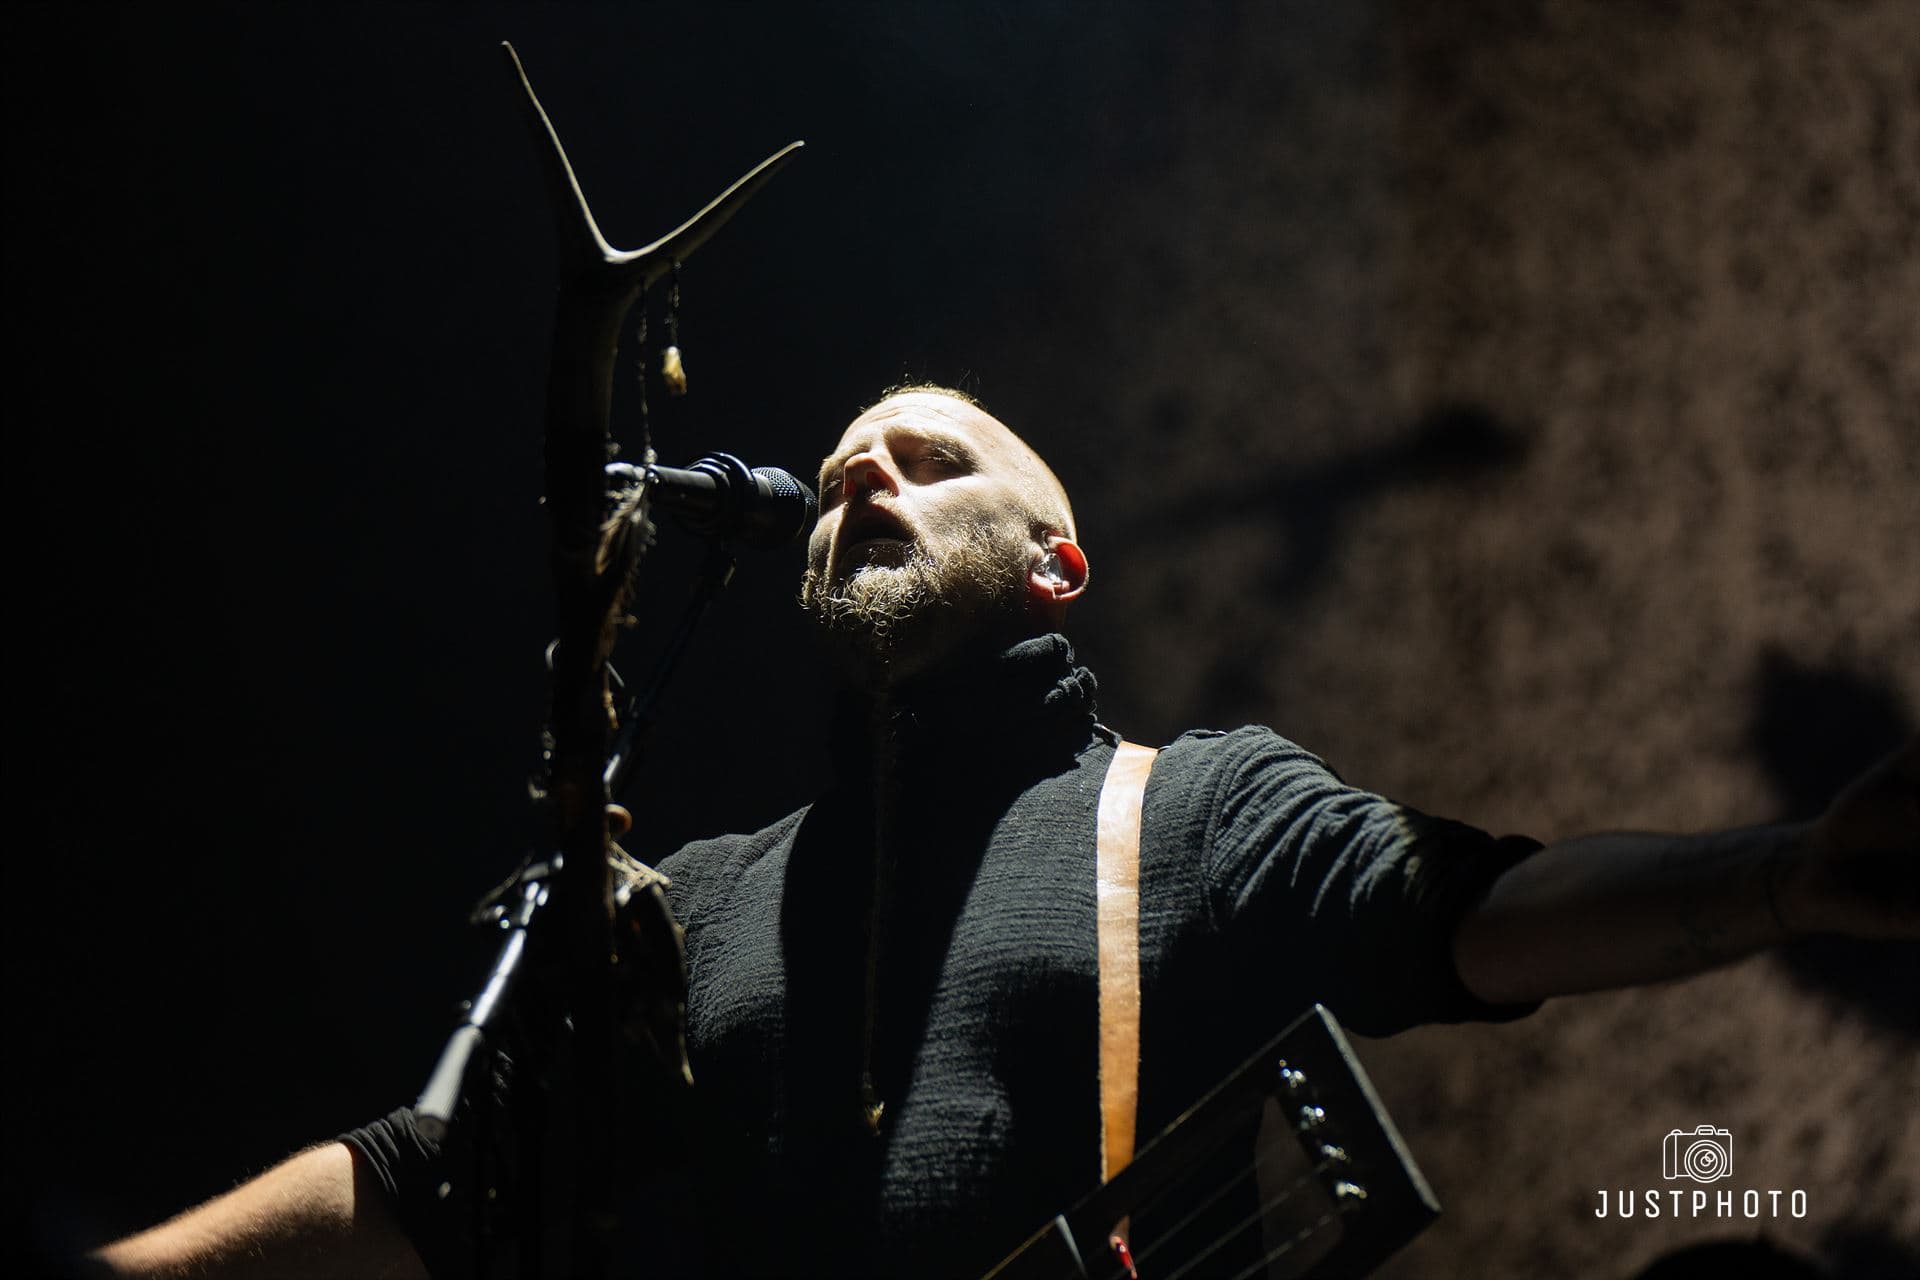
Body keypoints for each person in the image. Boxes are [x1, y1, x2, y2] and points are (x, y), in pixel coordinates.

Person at [87, 388, 1919, 1278]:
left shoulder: (1196, 811)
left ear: (1058, 564)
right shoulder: (708, 899)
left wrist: (1783, 876)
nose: (860, 476)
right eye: (840, 477)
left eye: (928, 458)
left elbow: (1482, 909)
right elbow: (435, 1180)